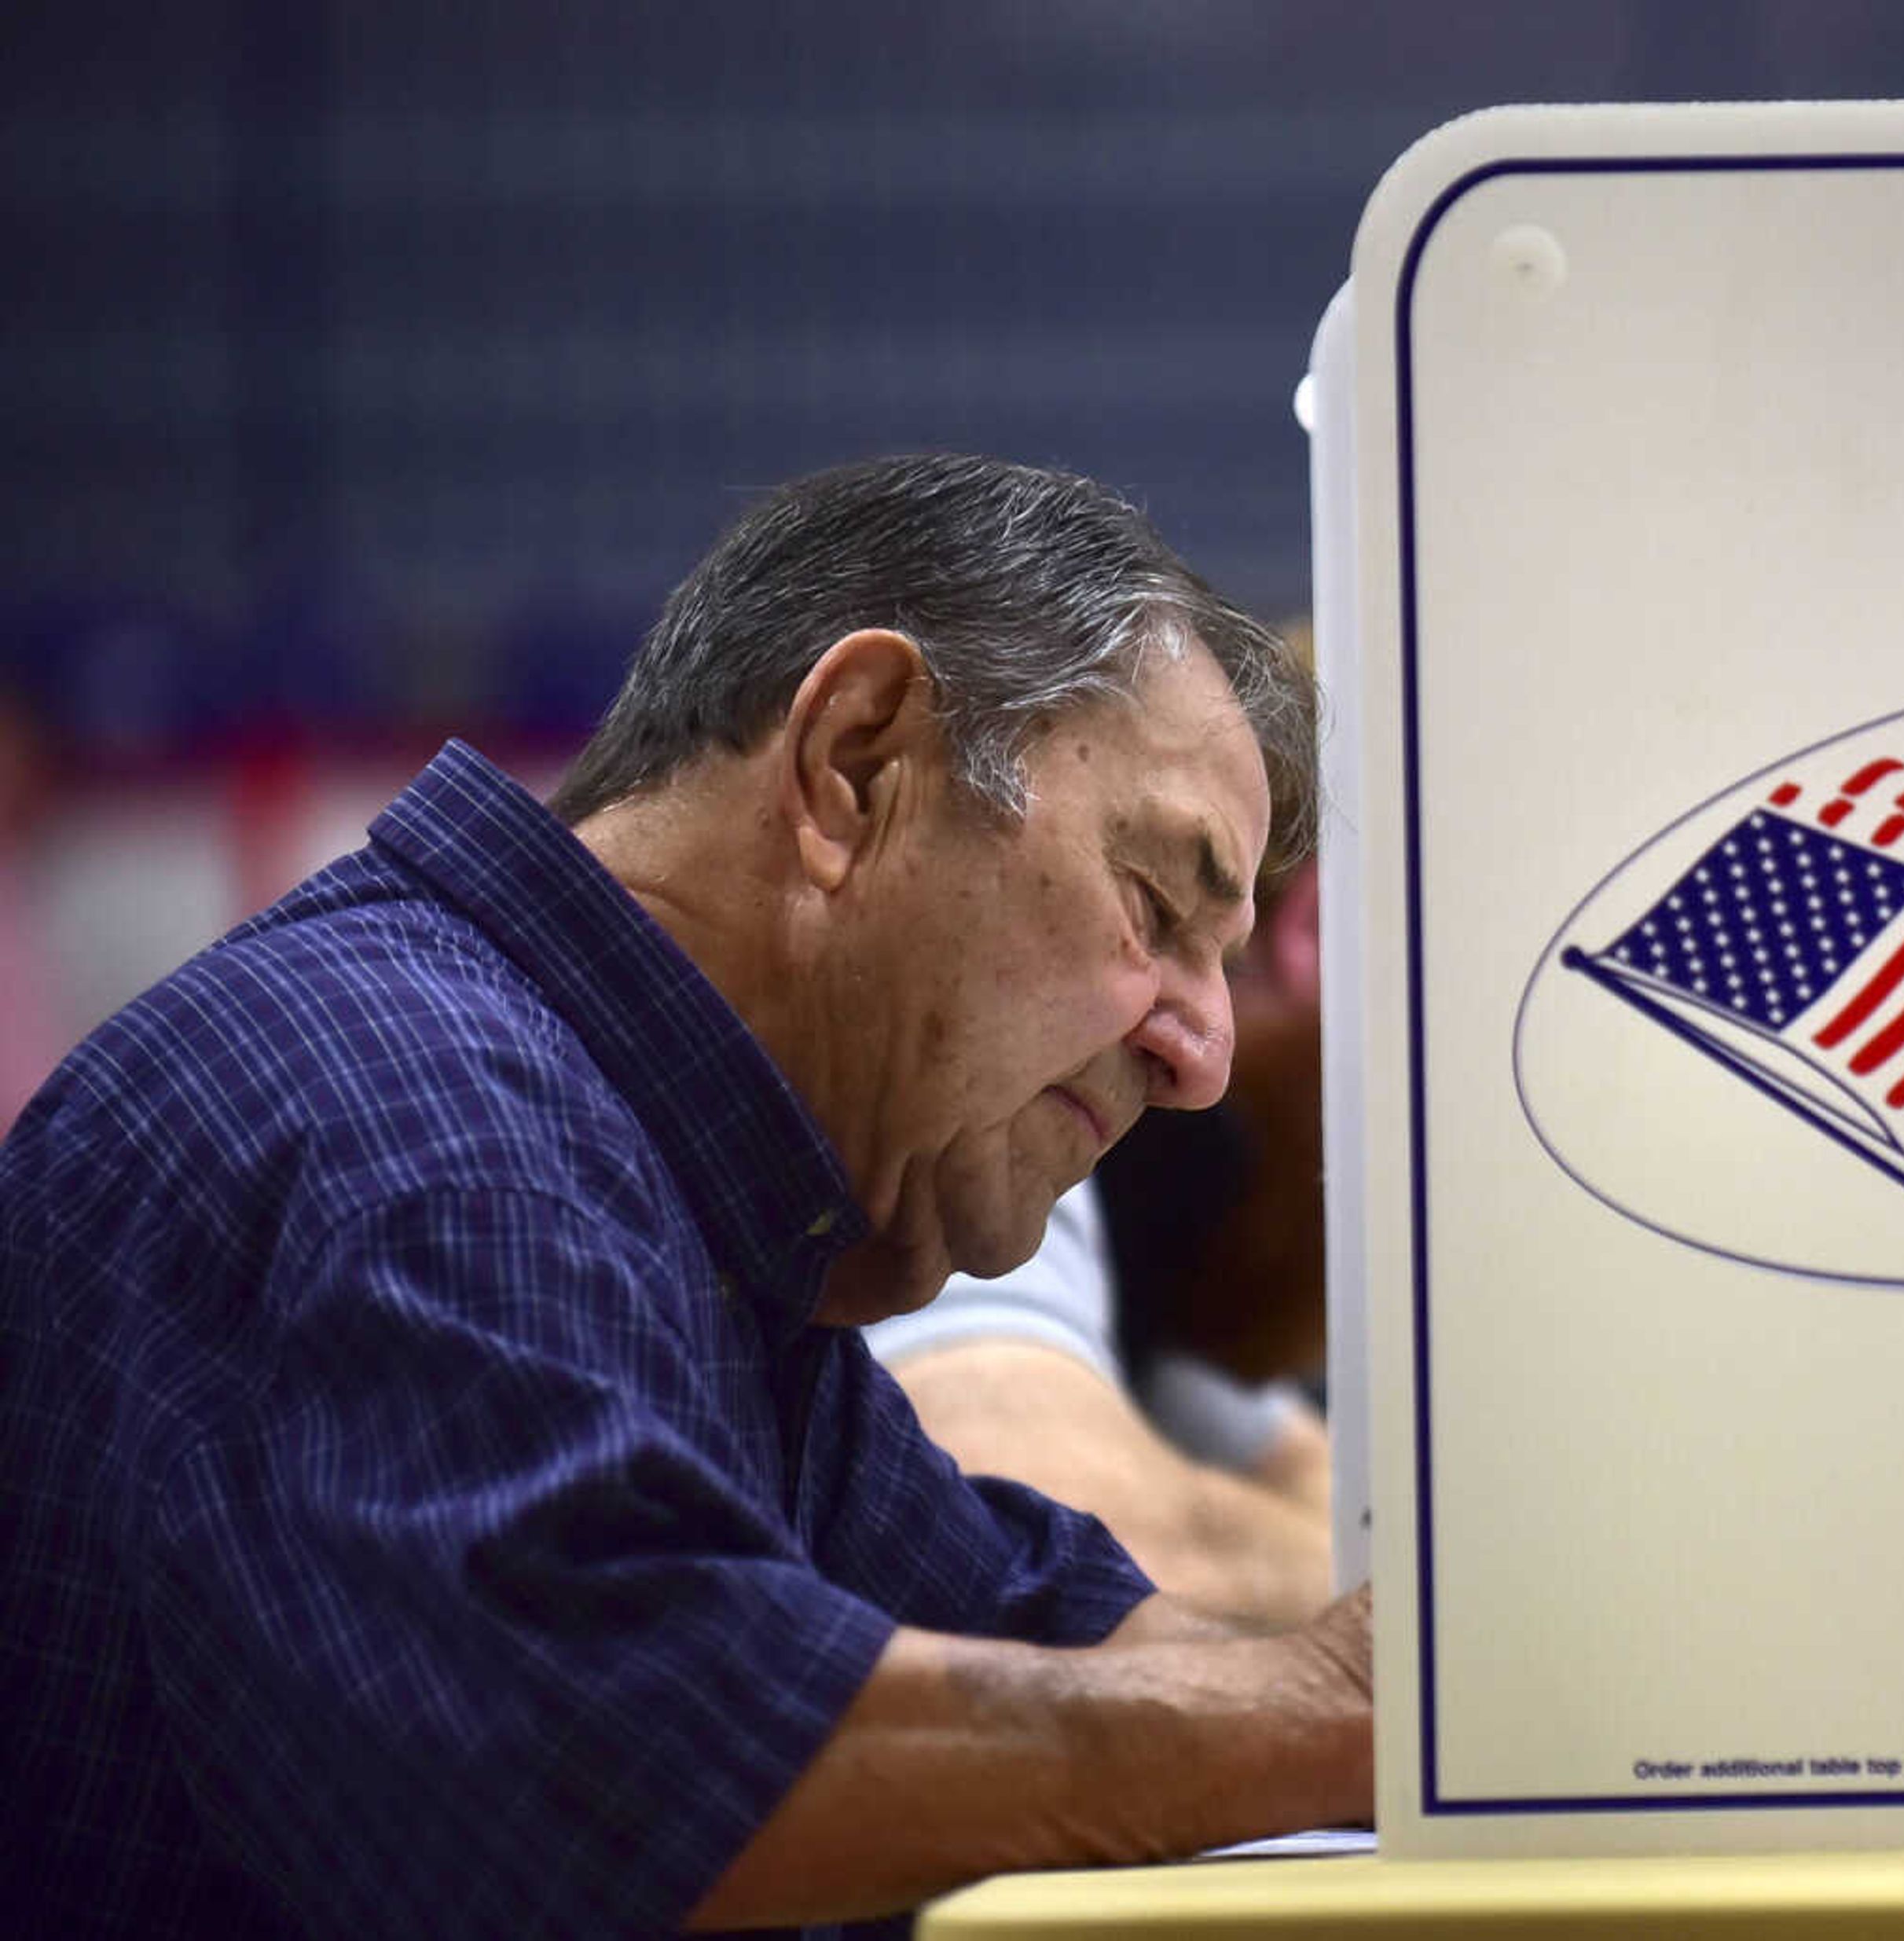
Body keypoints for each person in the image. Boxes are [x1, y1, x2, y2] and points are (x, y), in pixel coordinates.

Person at [0, 455, 1371, 1939]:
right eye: (1157, 907)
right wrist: (1323, 1715)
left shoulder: (678, 1180)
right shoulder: (430, 1133)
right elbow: (642, 1763)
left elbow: (1035, 1629)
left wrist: (1407, 1706)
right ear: (855, 762)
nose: (1203, 1061)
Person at [870, 861, 1333, 1627]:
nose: (1200, 1067)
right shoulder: (1007, 1093)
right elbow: (1060, 1545)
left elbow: (1329, 1495)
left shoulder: (1170, 1264)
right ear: (1309, 931)